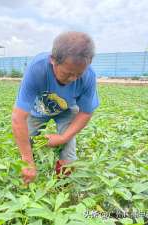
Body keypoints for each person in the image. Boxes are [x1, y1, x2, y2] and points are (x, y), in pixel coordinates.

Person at [12, 31, 99, 184]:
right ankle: (25, 182)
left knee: (68, 156)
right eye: (68, 73)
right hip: (38, 109)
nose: (73, 79)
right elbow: (18, 117)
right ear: (53, 60)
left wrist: (62, 138)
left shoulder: (89, 76)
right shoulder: (37, 69)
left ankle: (61, 187)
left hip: (67, 110)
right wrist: (27, 161)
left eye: (78, 74)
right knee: (26, 142)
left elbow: (86, 112)